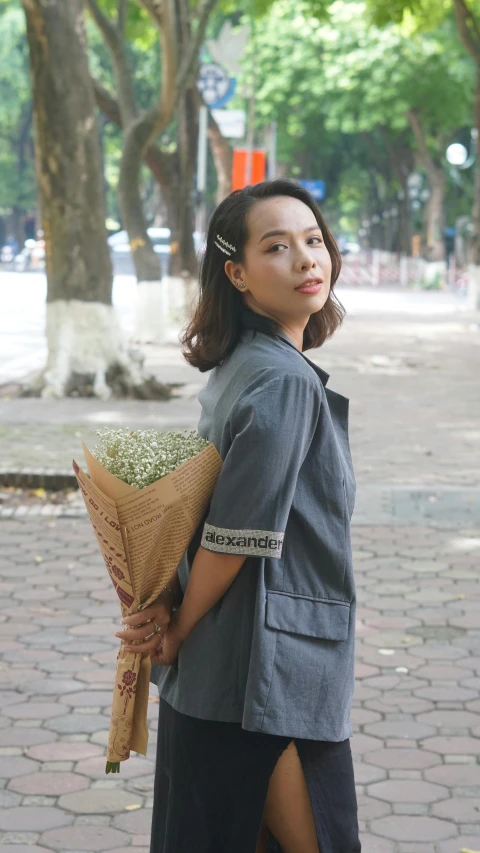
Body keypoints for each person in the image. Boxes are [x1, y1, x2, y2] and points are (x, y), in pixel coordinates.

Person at [116, 179, 361, 853]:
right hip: (266, 678)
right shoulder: (280, 379)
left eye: (314, 241)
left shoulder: (243, 365)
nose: (307, 260)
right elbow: (233, 538)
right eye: (277, 247)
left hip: (236, 675)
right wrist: (175, 629)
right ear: (238, 274)